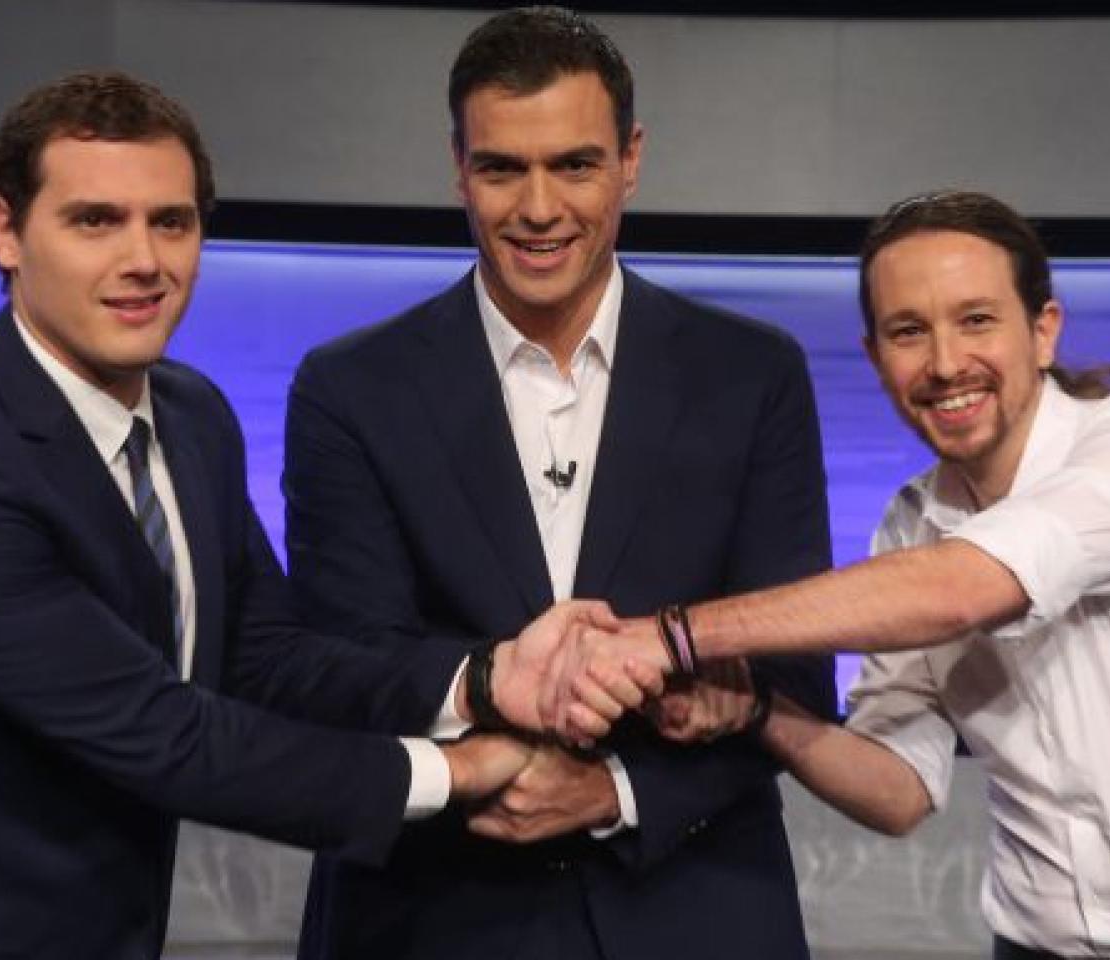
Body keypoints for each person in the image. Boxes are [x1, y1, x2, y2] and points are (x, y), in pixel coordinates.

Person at [0, 70, 598, 960]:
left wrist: (481, 681)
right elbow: (164, 735)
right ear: (5, 230)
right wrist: (460, 770)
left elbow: (264, 657)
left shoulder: (193, 418)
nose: (144, 262)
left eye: (172, 221)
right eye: (95, 221)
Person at [548, 190, 1110, 959]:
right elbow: (897, 793)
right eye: (907, 332)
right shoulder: (909, 529)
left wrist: (671, 637)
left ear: (1043, 330)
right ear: (875, 358)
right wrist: (756, 712)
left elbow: (962, 590)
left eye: (977, 321)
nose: (945, 362)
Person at [281, 8, 835, 960]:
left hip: (692, 908)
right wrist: (495, 703)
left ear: (631, 158)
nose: (539, 209)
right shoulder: (350, 389)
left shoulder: (752, 376)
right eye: (502, 169)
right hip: (433, 912)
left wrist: (616, 792)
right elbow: (342, 671)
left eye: (575, 165)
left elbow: (795, 676)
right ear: (459, 168)